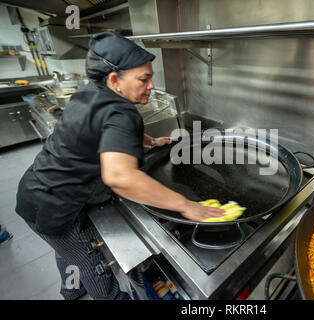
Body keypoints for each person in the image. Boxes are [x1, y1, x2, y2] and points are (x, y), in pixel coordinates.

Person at [15, 32, 224, 300]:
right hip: (54, 206)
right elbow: (120, 177)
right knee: (89, 260)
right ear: (115, 80)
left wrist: (149, 141)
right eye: (144, 79)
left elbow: (106, 129)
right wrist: (187, 205)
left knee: (64, 249)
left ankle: (71, 289)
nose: (151, 85)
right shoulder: (120, 111)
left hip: (35, 189)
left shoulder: (91, 93)